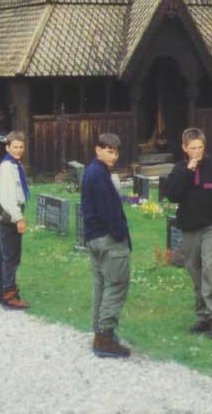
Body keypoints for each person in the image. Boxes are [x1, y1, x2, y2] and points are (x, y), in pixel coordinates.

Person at [165, 127, 212, 340]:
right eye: (193, 148)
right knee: (194, 270)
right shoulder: (179, 169)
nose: (197, 152)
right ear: (184, 148)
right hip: (189, 228)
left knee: (210, 270)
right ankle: (203, 317)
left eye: (200, 147)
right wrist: (189, 169)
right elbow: (172, 195)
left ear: (204, 147)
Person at [81, 133, 132, 358]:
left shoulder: (94, 171)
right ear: (98, 150)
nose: (114, 155)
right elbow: (108, 211)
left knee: (101, 284)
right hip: (108, 239)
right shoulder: (99, 175)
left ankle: (99, 333)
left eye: (116, 151)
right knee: (116, 284)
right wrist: (120, 233)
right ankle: (105, 336)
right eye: (109, 151)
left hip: (94, 237)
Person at [0, 131, 31, 309]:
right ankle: (9, 295)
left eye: (21, 147)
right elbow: (7, 197)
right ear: (7, 147)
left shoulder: (15, 164)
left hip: (10, 213)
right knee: (11, 256)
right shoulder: (7, 167)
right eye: (15, 147)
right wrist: (18, 219)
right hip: (9, 215)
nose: (19, 150)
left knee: (4, 255)